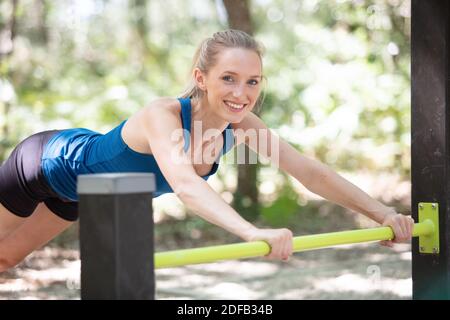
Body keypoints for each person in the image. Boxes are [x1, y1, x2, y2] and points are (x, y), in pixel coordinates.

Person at [0, 29, 414, 272]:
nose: (241, 93)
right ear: (202, 77)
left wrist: (383, 213)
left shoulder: (242, 127)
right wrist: (252, 232)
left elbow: (309, 171)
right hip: (40, 164)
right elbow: (185, 185)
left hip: (79, 195)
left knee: (6, 261)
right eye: (229, 78)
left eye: (253, 82)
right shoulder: (162, 115)